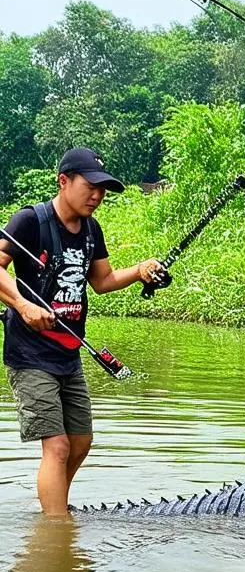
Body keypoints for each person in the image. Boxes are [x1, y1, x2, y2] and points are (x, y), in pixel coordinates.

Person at [0, 147, 163, 516]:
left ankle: (52, 505)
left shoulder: (91, 229)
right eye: (91, 186)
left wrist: (139, 270)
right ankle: (56, 532)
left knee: (80, 441)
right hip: (30, 353)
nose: (97, 196)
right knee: (56, 446)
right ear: (64, 181)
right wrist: (23, 306)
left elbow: (102, 281)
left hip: (68, 352)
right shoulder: (30, 221)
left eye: (102, 189)